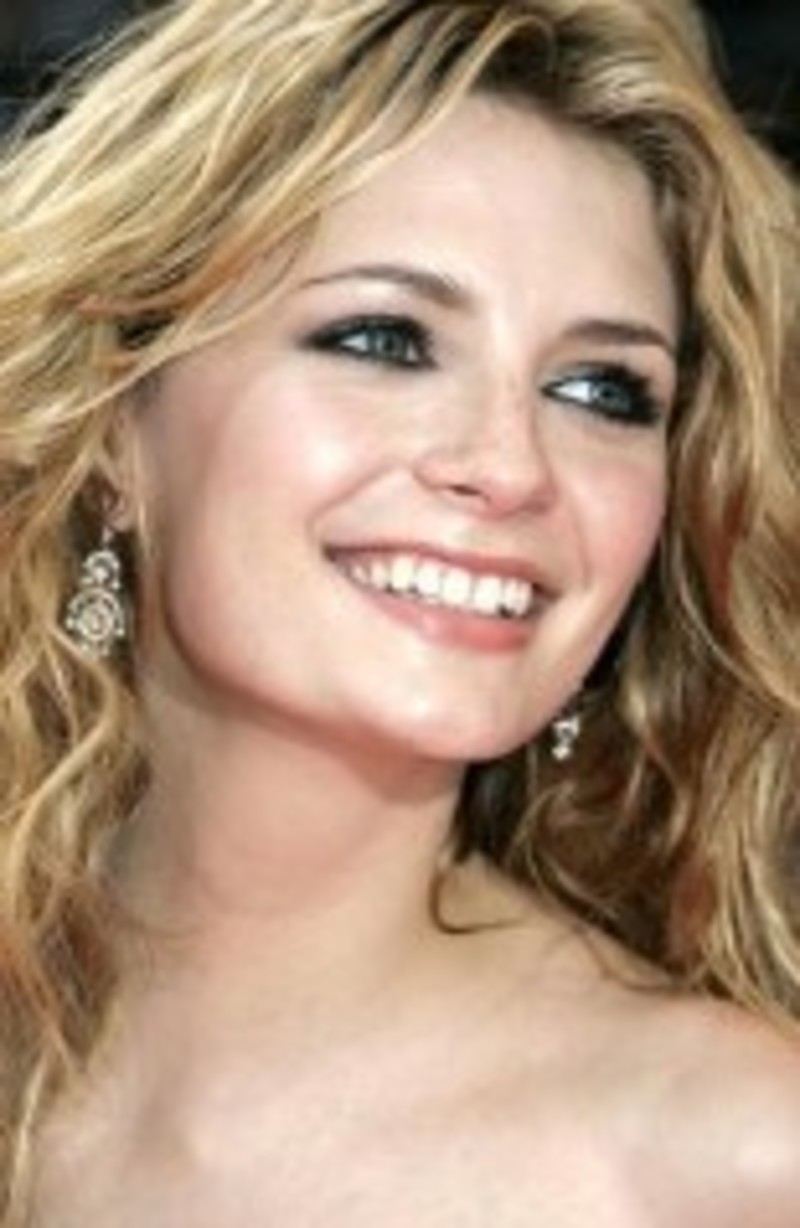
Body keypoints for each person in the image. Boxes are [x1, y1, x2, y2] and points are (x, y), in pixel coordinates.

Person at [0, 0, 799, 1222]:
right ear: (113, 415)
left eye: (600, 390)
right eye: (384, 338)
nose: (509, 466)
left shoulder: (732, 1158)